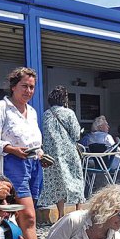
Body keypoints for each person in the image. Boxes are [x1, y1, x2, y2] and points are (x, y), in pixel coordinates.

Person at [0, 67, 43, 239]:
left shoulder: (31, 112)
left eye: (32, 87)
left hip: (33, 163)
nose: (28, 91)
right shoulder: (1, 108)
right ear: (13, 86)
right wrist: (9, 148)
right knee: (28, 216)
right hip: (12, 162)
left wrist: (40, 154)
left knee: (25, 215)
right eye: (24, 86)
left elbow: (33, 140)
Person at [38, 86, 86, 219]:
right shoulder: (68, 113)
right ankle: (78, 212)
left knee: (58, 183)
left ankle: (61, 214)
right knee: (76, 179)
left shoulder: (46, 114)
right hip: (68, 153)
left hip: (52, 155)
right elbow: (76, 135)